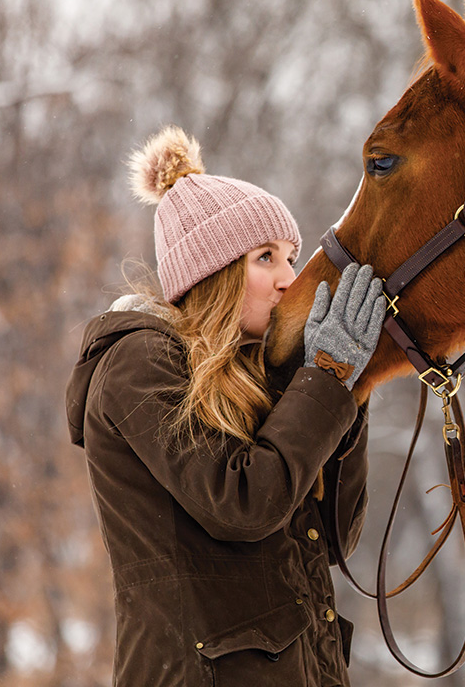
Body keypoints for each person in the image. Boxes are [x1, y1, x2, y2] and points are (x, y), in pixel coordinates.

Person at [66, 126, 386, 686]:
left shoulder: (255, 377)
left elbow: (335, 536)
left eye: (290, 255)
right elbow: (243, 504)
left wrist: (347, 389)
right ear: (213, 272)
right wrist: (326, 380)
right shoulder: (136, 364)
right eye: (266, 257)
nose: (291, 278)